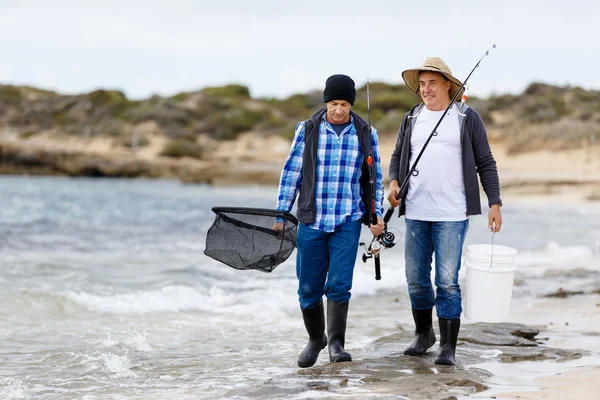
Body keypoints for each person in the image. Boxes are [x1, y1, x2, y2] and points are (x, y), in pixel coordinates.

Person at [388, 57, 503, 366]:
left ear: (448, 85)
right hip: (415, 210)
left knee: (447, 280)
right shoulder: (412, 117)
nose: (426, 90)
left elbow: (486, 162)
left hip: (452, 213)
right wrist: (393, 182)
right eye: (422, 84)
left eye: (432, 83)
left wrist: (495, 203)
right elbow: (398, 154)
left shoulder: (466, 118)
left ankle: (448, 346)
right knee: (415, 277)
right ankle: (424, 334)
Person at [273, 74, 385, 368]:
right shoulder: (307, 129)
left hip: (347, 219)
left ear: (351, 105)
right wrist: (282, 214)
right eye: (334, 103)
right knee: (308, 287)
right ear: (326, 103)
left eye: (344, 103)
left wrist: (377, 214)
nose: (338, 109)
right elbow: (291, 173)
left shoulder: (365, 132)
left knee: (339, 285)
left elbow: (375, 181)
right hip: (311, 219)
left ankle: (337, 344)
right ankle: (316, 339)